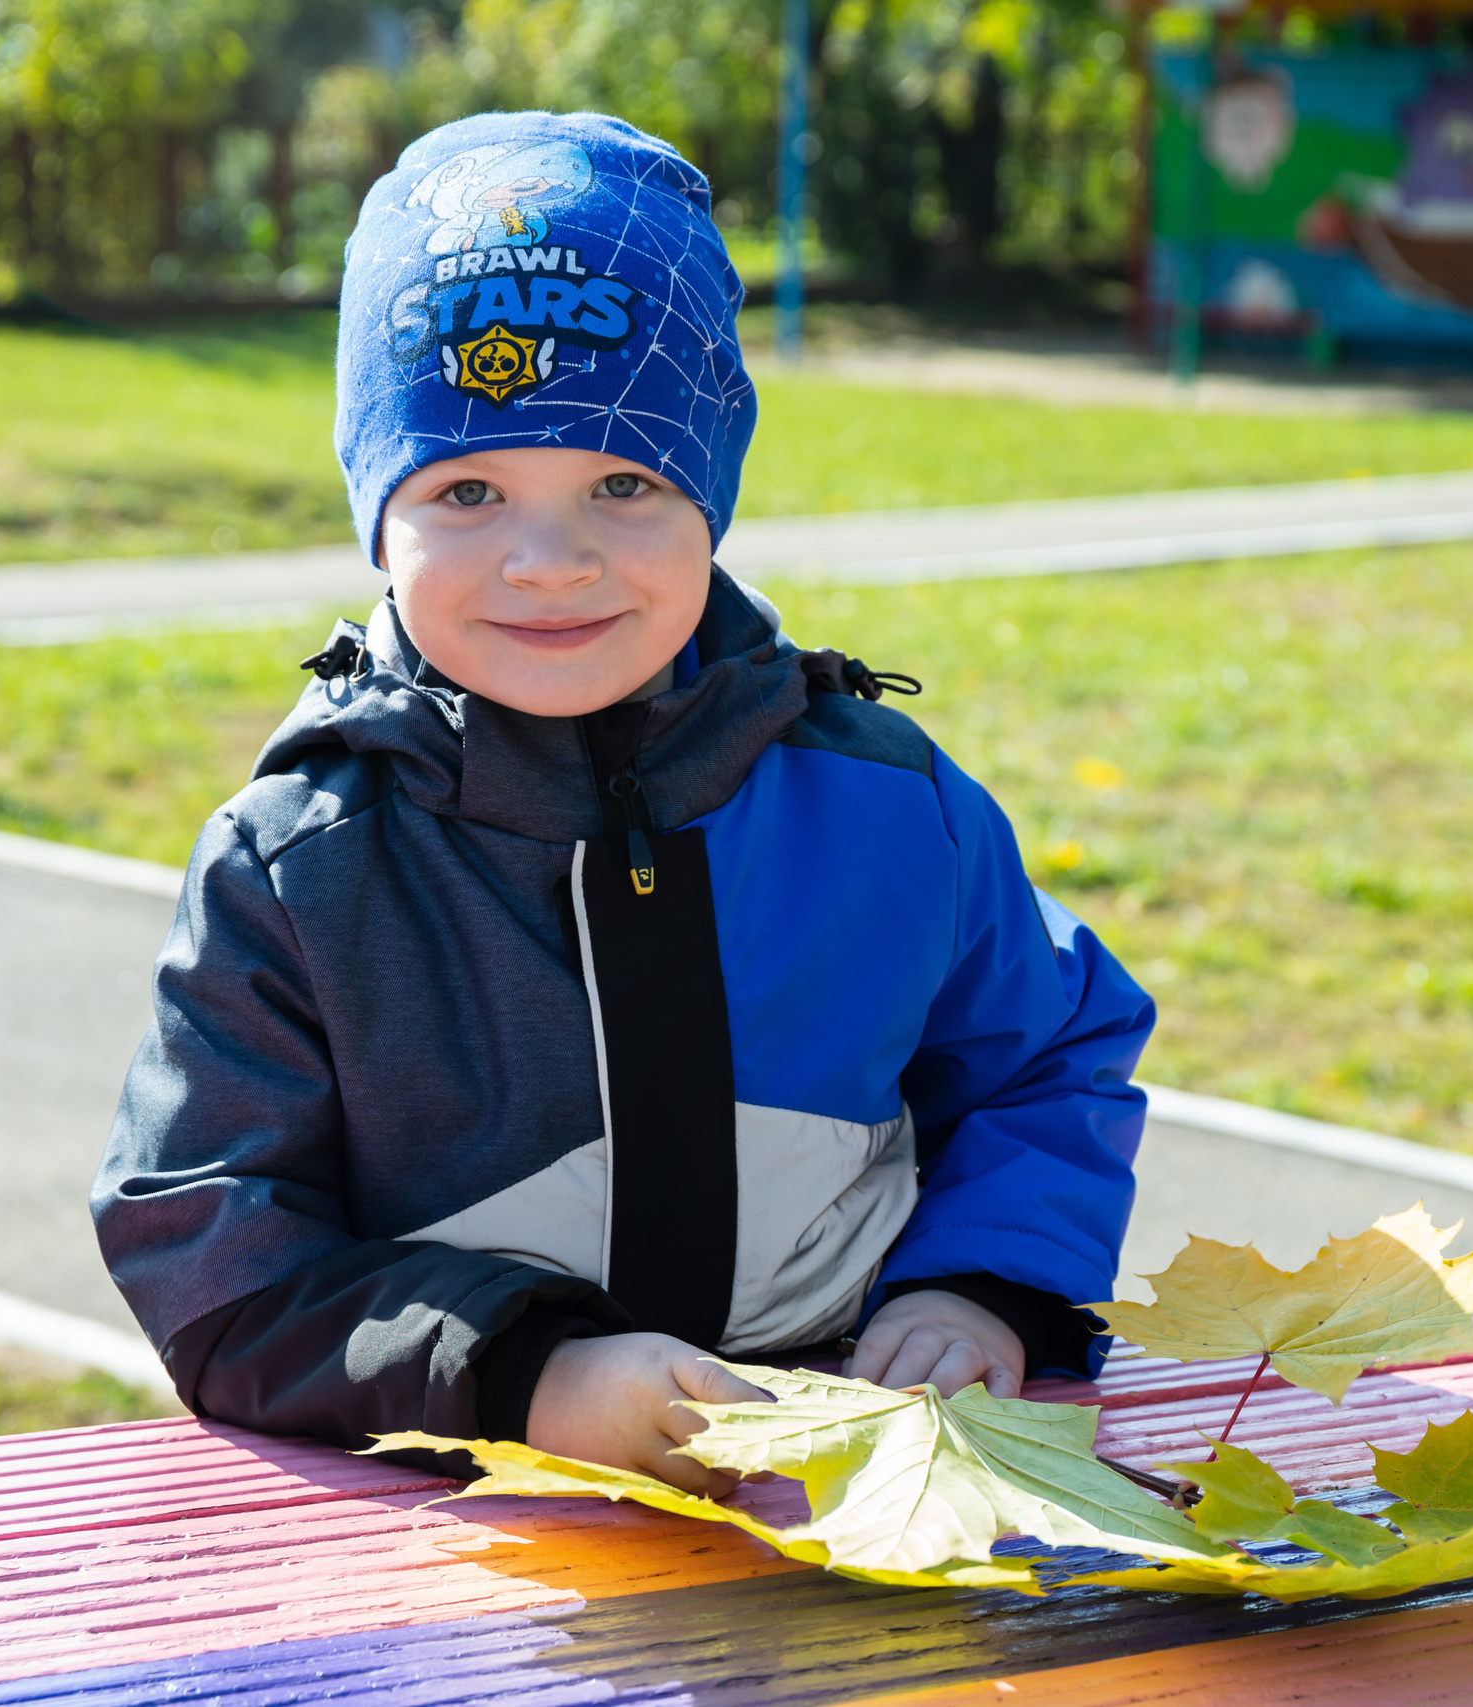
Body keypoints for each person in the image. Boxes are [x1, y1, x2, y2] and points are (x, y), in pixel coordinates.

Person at [91, 112, 1153, 1496]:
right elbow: (211, 1250)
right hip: (465, 1512)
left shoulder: (890, 810)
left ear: (711, 498)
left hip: (864, 1482)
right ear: (378, 509)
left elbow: (1047, 1058)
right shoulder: (301, 868)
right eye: (467, 487)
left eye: (625, 482)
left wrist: (981, 1287)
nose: (549, 560)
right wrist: (525, 1375)